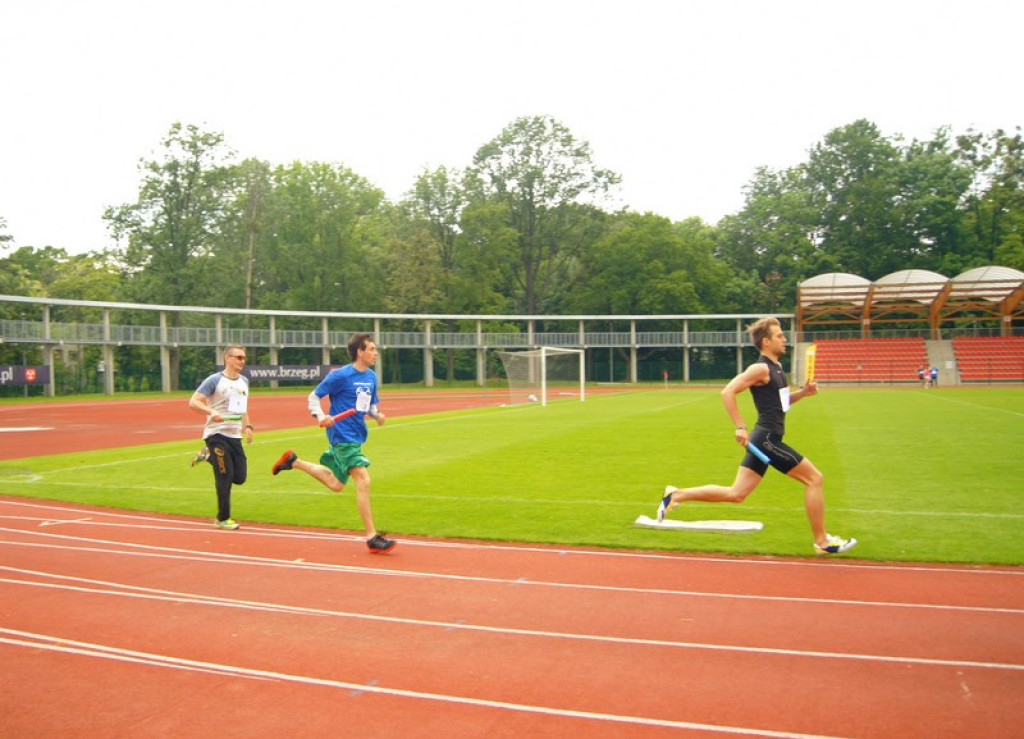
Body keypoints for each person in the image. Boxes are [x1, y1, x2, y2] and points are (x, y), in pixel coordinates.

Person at [656, 317, 857, 555]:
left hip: (765, 439)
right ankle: (822, 541)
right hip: (766, 440)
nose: (784, 339)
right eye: (779, 335)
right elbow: (727, 391)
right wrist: (740, 427)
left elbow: (780, 404)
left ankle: (676, 494)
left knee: (736, 494)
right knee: (814, 479)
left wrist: (802, 393)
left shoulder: (777, 369)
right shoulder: (760, 368)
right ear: (766, 341)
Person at [271, 332, 396, 554]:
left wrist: (377, 415)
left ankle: (293, 461)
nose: (375, 352)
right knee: (363, 479)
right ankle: (371, 537)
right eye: (372, 348)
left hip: (356, 436)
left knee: (336, 484)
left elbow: (368, 404)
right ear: (360, 351)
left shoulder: (371, 377)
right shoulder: (340, 376)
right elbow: (313, 397)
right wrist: (321, 417)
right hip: (341, 435)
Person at [188, 344, 254, 530]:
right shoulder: (214, 380)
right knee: (224, 475)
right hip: (216, 434)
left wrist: (247, 426)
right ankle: (223, 518)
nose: (242, 361)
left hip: (234, 436)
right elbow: (193, 402)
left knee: (240, 477)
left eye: (244, 357)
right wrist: (211, 412)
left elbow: (242, 408)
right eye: (239, 357)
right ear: (228, 358)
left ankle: (208, 455)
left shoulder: (243, 382)